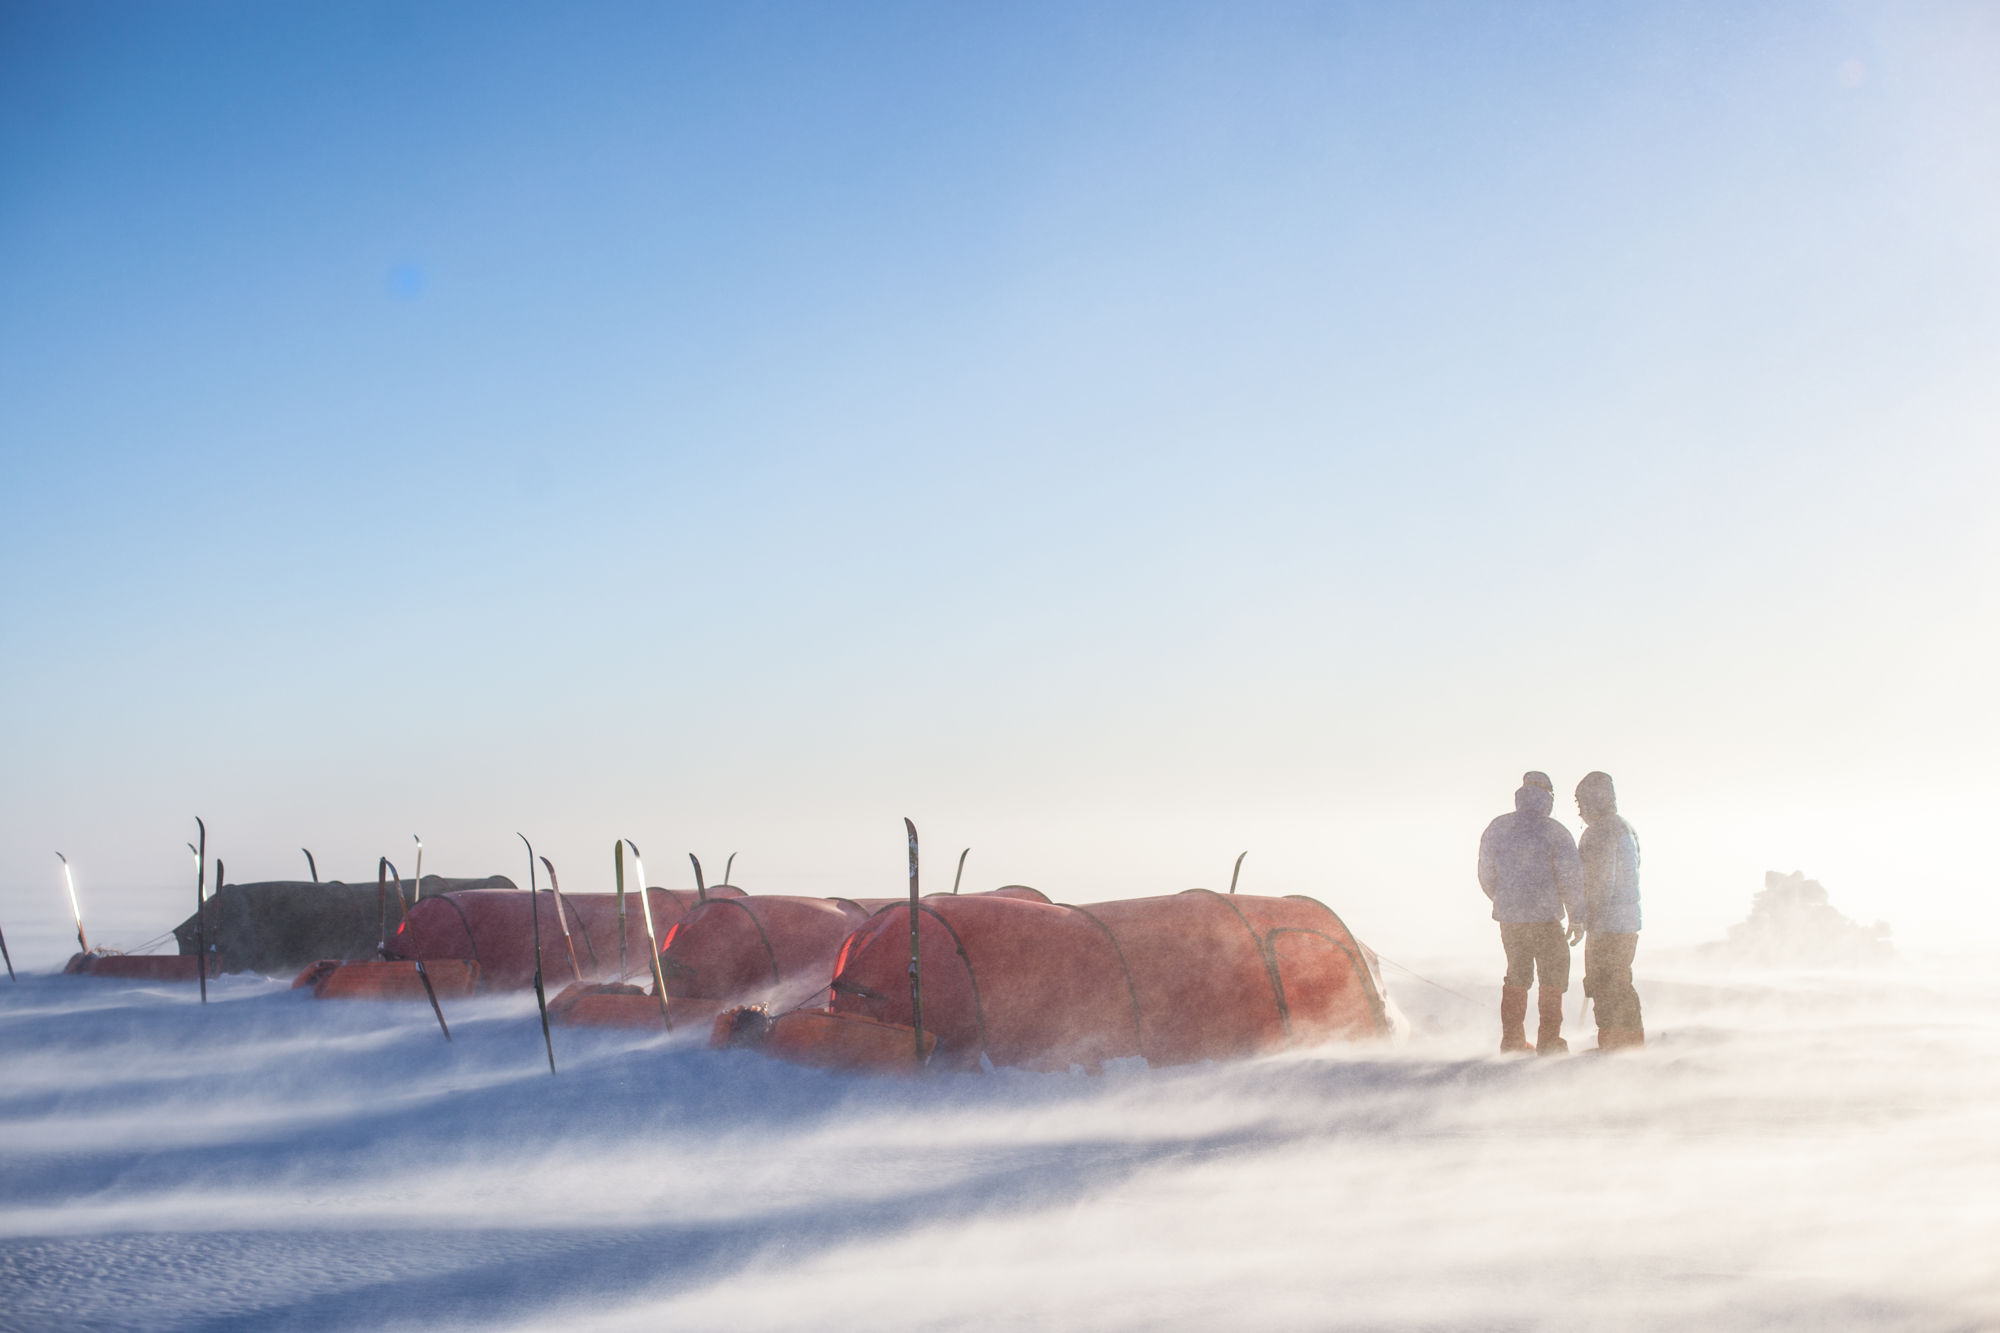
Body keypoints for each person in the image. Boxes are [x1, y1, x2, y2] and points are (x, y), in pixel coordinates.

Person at [1477, 771, 1583, 1054]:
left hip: (1510, 920)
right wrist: (1577, 915)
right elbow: (1570, 878)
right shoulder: (1555, 831)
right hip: (1546, 919)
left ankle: (1512, 1041)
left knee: (1516, 975)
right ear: (1548, 795)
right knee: (1553, 975)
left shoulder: (1498, 828)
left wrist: (1503, 899)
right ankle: (1550, 1041)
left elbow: (1486, 874)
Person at [1575, 770, 1644, 1050]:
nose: (1580, 813)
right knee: (1620, 981)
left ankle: (1615, 1044)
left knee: (1605, 984)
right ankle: (1630, 1041)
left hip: (1608, 923)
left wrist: (1594, 922)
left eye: (1581, 804)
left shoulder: (1600, 833)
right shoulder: (1626, 828)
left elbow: (1601, 882)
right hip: (1628, 922)